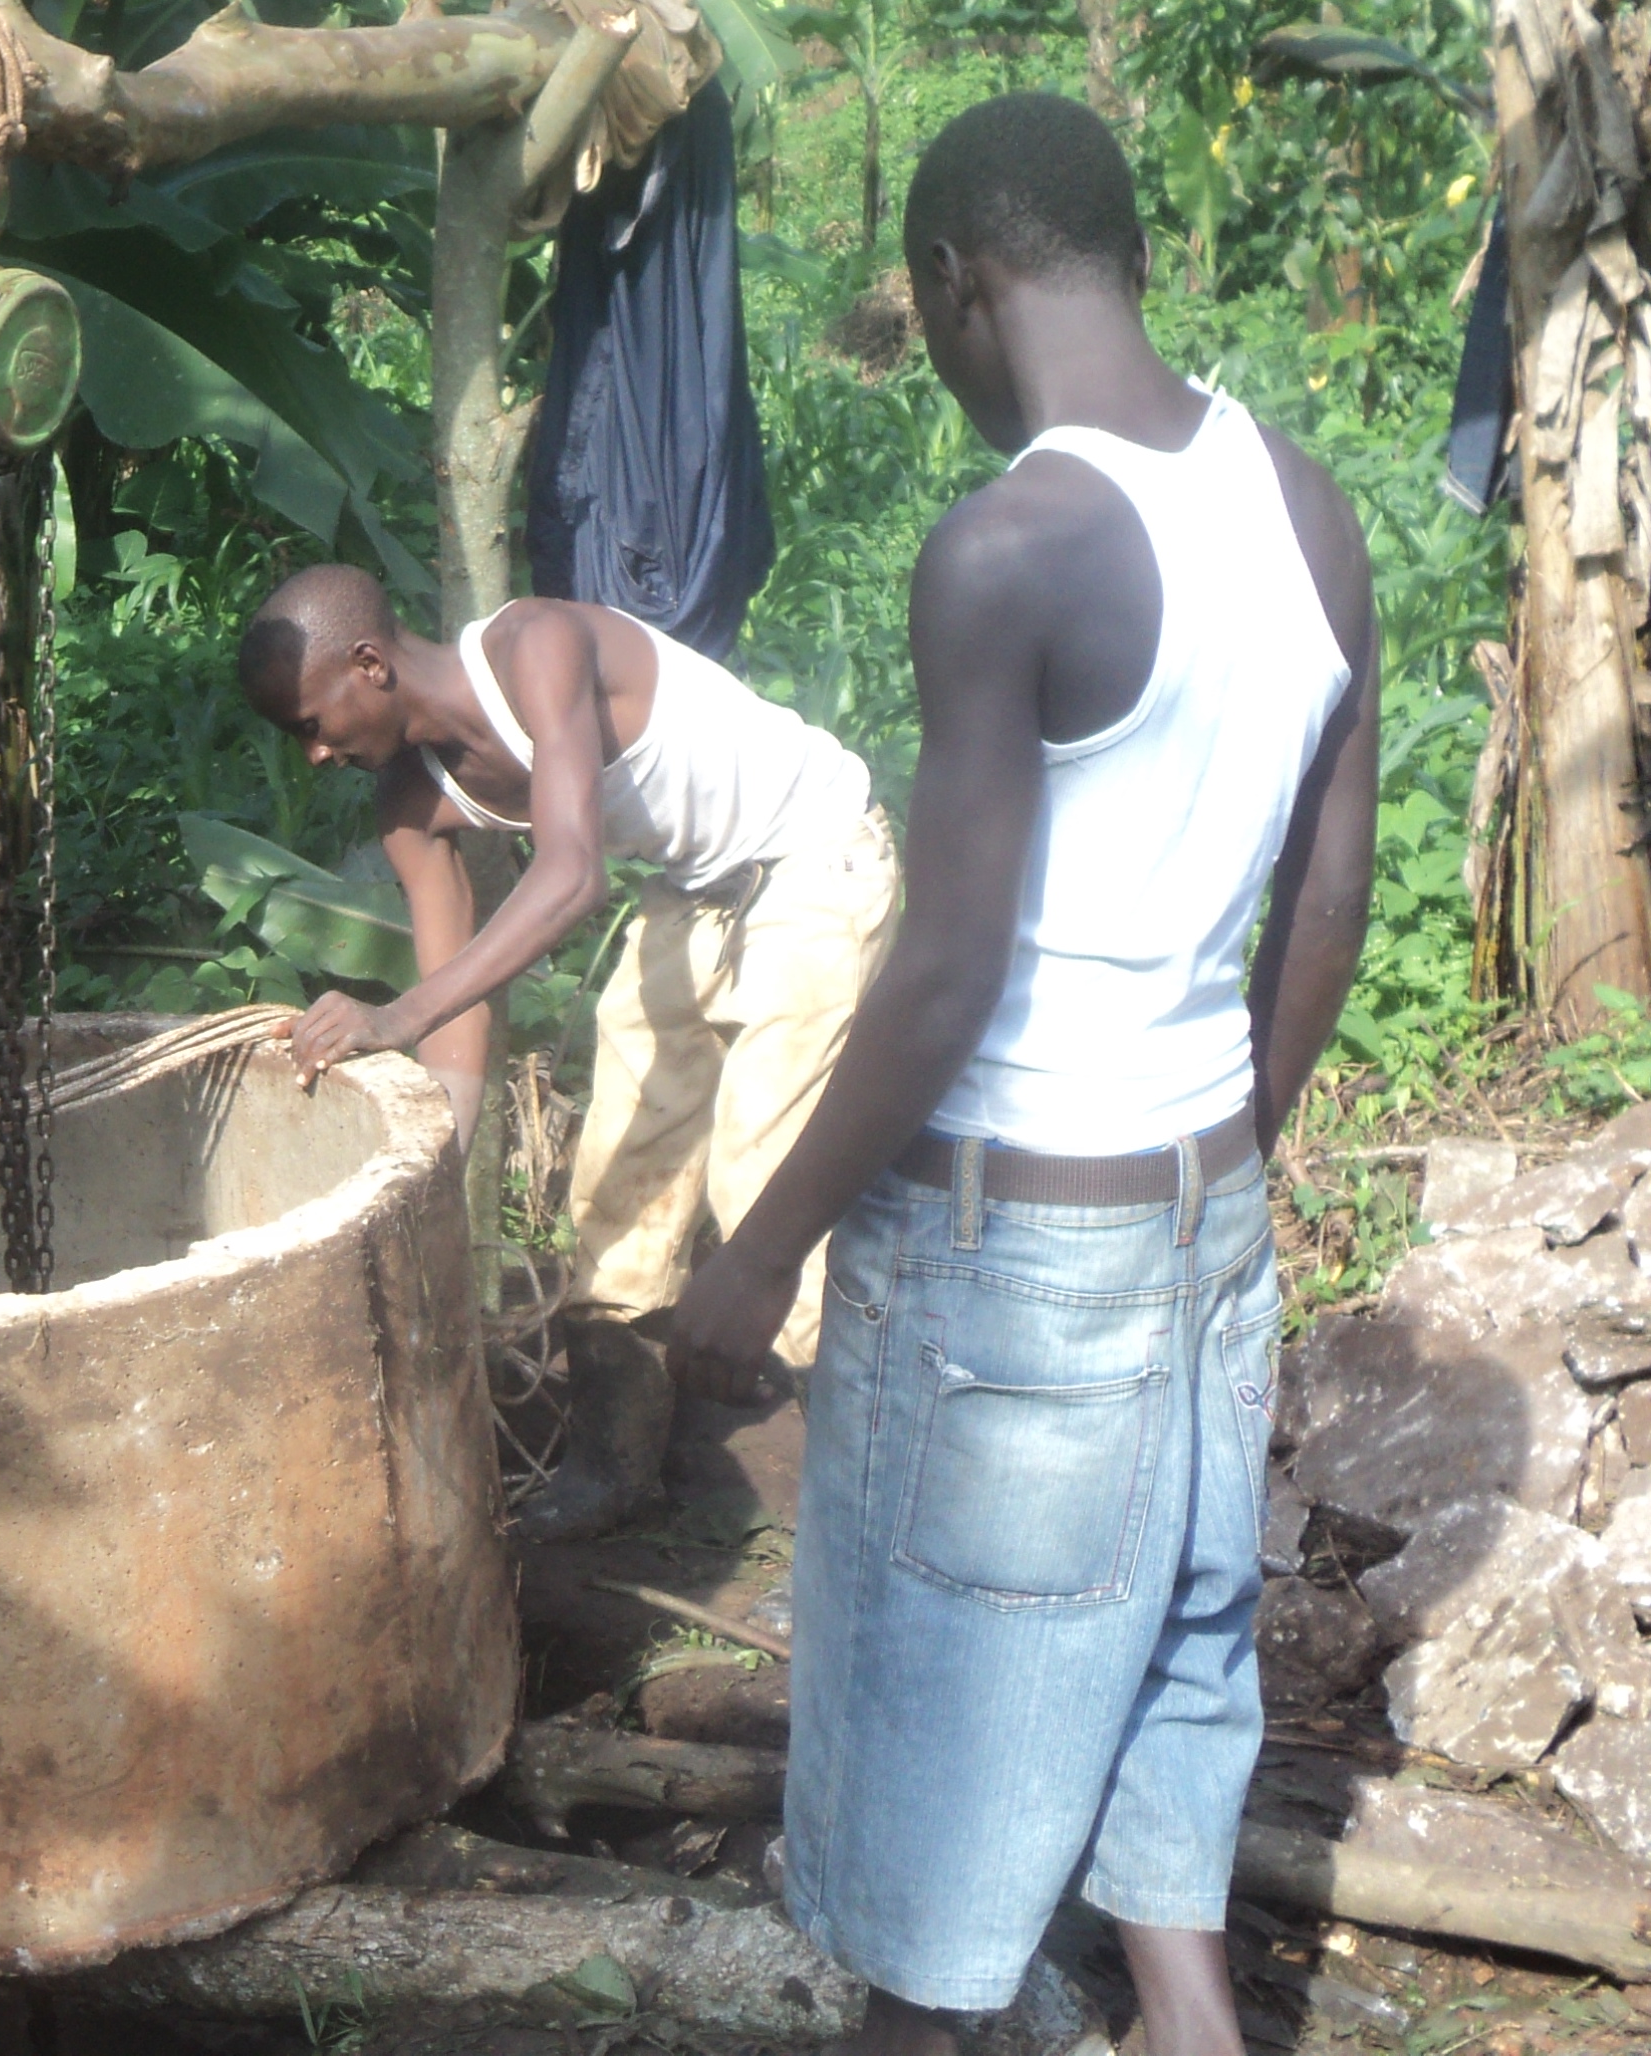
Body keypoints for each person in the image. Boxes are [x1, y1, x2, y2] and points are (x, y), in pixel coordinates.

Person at [666, 94, 1376, 2056]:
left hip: (1007, 1247)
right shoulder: (1304, 504)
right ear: (1121, 255)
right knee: (1176, 1648)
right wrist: (1226, 1151)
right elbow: (1327, 894)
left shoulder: (1006, 548)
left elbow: (949, 969)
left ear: (954, 284)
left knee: (937, 1760)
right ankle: (1191, 2022)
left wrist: (758, 1249)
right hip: (1202, 1199)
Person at [238, 567, 897, 1538]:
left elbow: (573, 874)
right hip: (695, 890)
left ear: (369, 664)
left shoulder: (536, 647)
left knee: (765, 1181)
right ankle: (613, 1465)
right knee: (614, 1189)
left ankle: (857, 1521)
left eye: (311, 722)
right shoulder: (411, 804)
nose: (315, 753)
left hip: (814, 857)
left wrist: (396, 1016)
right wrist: (430, 1180)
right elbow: (458, 1013)